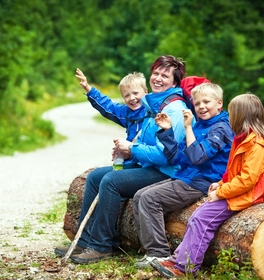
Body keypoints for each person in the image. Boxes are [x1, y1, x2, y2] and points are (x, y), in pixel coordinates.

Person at [55, 55, 190, 263]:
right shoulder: (154, 103)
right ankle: (84, 240)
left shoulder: (174, 109)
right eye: (155, 73)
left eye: (165, 75)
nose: (158, 78)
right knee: (95, 177)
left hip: (168, 171)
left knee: (111, 181)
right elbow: (124, 119)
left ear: (175, 81)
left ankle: (102, 246)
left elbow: (165, 156)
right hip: (148, 164)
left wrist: (132, 149)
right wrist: (129, 151)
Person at [151, 93, 264, 278]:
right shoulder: (243, 138)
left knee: (202, 219)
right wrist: (219, 183)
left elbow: (247, 180)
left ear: (240, 115)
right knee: (197, 216)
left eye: (232, 112)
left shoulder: (257, 144)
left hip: (247, 195)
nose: (229, 116)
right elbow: (234, 171)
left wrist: (221, 193)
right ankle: (178, 258)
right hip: (235, 190)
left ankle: (185, 268)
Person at [133, 82, 234, 268]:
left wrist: (187, 128)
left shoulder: (221, 128)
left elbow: (197, 157)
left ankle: (159, 254)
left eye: (206, 102)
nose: (201, 107)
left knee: (149, 198)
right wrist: (167, 131)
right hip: (186, 176)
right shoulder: (201, 126)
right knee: (139, 195)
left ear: (219, 103)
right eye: (197, 104)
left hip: (202, 181)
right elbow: (176, 157)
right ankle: (150, 250)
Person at [75, 68, 148, 142]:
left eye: (135, 93)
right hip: (133, 151)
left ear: (146, 92)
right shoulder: (126, 112)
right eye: (127, 96)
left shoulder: (154, 110)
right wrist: (88, 88)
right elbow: (108, 106)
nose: (132, 98)